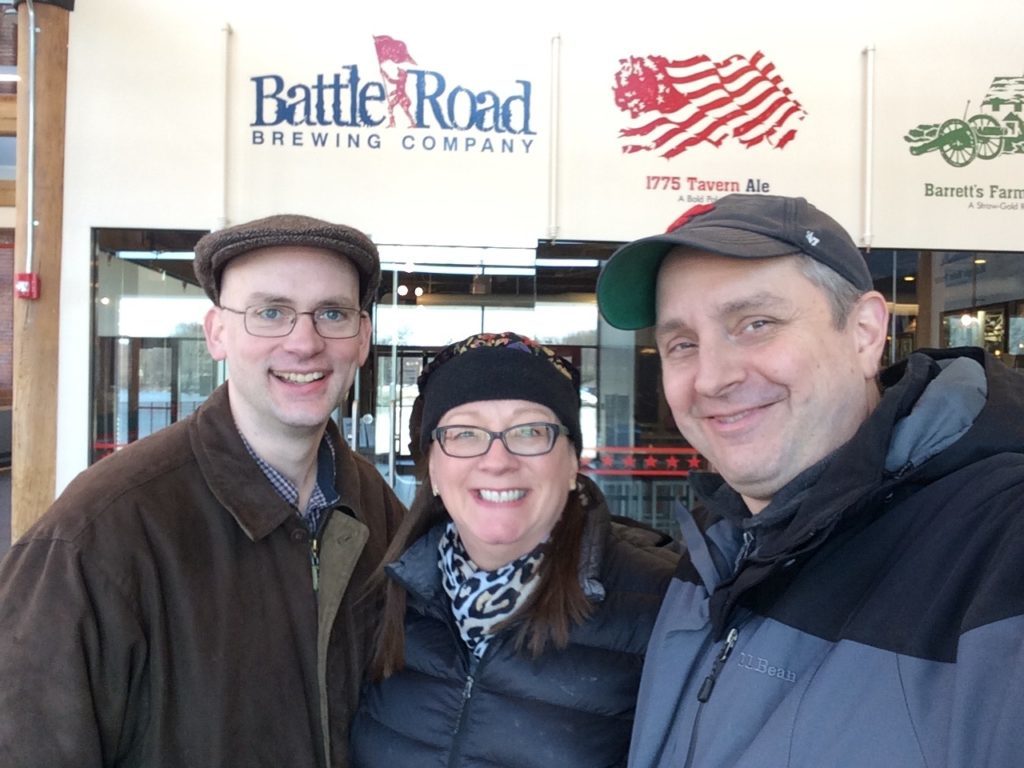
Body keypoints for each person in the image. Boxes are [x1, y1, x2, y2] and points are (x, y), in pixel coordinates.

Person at [596, 193, 1024, 768]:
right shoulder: (717, 543)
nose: (713, 377)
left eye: (756, 323)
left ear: (866, 332)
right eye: (682, 344)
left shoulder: (1000, 544)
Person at [0, 214, 405, 767]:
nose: (304, 342)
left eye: (331, 313)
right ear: (217, 333)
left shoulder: (376, 506)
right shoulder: (97, 534)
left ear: (361, 338)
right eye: (270, 313)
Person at [349, 332, 678, 768]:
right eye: (465, 433)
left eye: (529, 431)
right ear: (433, 467)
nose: (498, 460)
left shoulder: (663, 607)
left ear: (572, 461)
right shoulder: (387, 598)